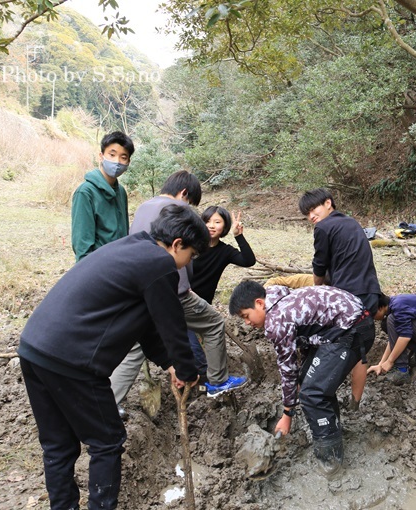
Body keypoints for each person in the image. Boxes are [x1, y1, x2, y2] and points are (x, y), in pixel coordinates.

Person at [18, 204, 206, 510]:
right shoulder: (159, 263)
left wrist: (170, 364)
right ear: (177, 245)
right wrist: (187, 369)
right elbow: (172, 326)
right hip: (73, 361)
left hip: (35, 348)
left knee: (58, 444)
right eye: (192, 255)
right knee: (107, 441)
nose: (188, 263)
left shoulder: (132, 249)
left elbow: (146, 325)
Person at [110, 171, 247, 404]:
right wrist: (184, 287)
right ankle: (217, 380)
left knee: (135, 347)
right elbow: (178, 252)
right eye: (191, 202)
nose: (189, 206)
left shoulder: (144, 206)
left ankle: (108, 404)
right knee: (213, 323)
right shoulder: (175, 209)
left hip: (136, 286)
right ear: (184, 193)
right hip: (169, 288)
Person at [229, 280, 375, 476]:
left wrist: (287, 413)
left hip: (352, 329)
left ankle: (331, 461)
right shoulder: (275, 295)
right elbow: (306, 333)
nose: (247, 323)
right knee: (309, 383)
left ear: (259, 303)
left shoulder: (276, 321)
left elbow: (287, 367)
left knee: (312, 393)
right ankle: (333, 430)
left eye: (246, 316)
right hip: (344, 324)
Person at [299, 188, 382, 408]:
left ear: (328, 203)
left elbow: (319, 264)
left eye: (313, 209)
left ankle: (320, 392)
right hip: (371, 292)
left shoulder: (324, 227)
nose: (311, 217)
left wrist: (318, 291)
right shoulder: (352, 222)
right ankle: (355, 402)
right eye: (306, 214)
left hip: (349, 296)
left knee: (330, 341)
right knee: (359, 347)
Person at [187, 206, 256, 379]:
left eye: (217, 222)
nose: (211, 226)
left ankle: (207, 379)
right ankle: (206, 380)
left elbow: (248, 261)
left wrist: (239, 236)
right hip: (184, 301)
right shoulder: (191, 244)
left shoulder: (224, 251)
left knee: (203, 342)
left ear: (224, 227)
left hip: (203, 306)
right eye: (207, 221)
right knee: (193, 345)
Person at [71, 131, 134, 262]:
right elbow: (82, 247)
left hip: (119, 266)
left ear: (128, 162)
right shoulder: (85, 192)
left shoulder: (121, 192)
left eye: (123, 157)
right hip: (98, 269)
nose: (117, 161)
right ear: (101, 156)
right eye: (112, 155)